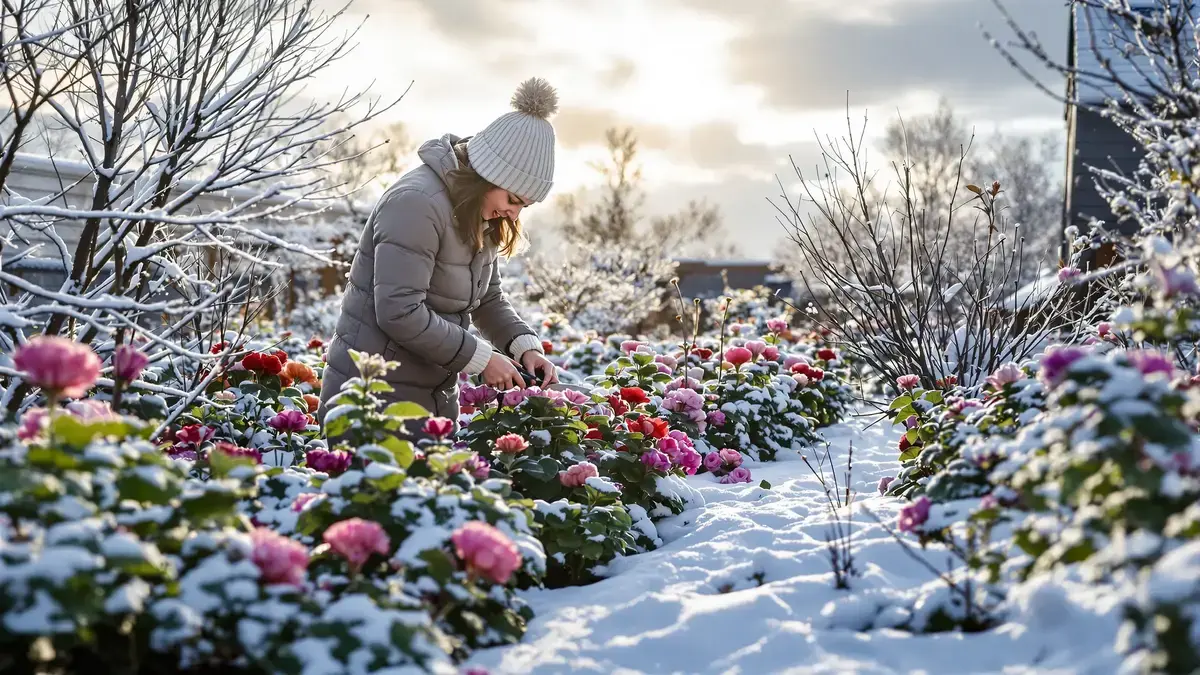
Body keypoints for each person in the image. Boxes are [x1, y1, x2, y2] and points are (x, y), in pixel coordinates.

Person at [318, 77, 560, 424]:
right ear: (488, 175)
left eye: (525, 205)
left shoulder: (478, 211)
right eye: (513, 199)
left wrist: (524, 347)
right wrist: (481, 358)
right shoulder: (417, 204)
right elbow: (400, 311)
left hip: (430, 397)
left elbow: (487, 299)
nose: (514, 213)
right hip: (372, 401)